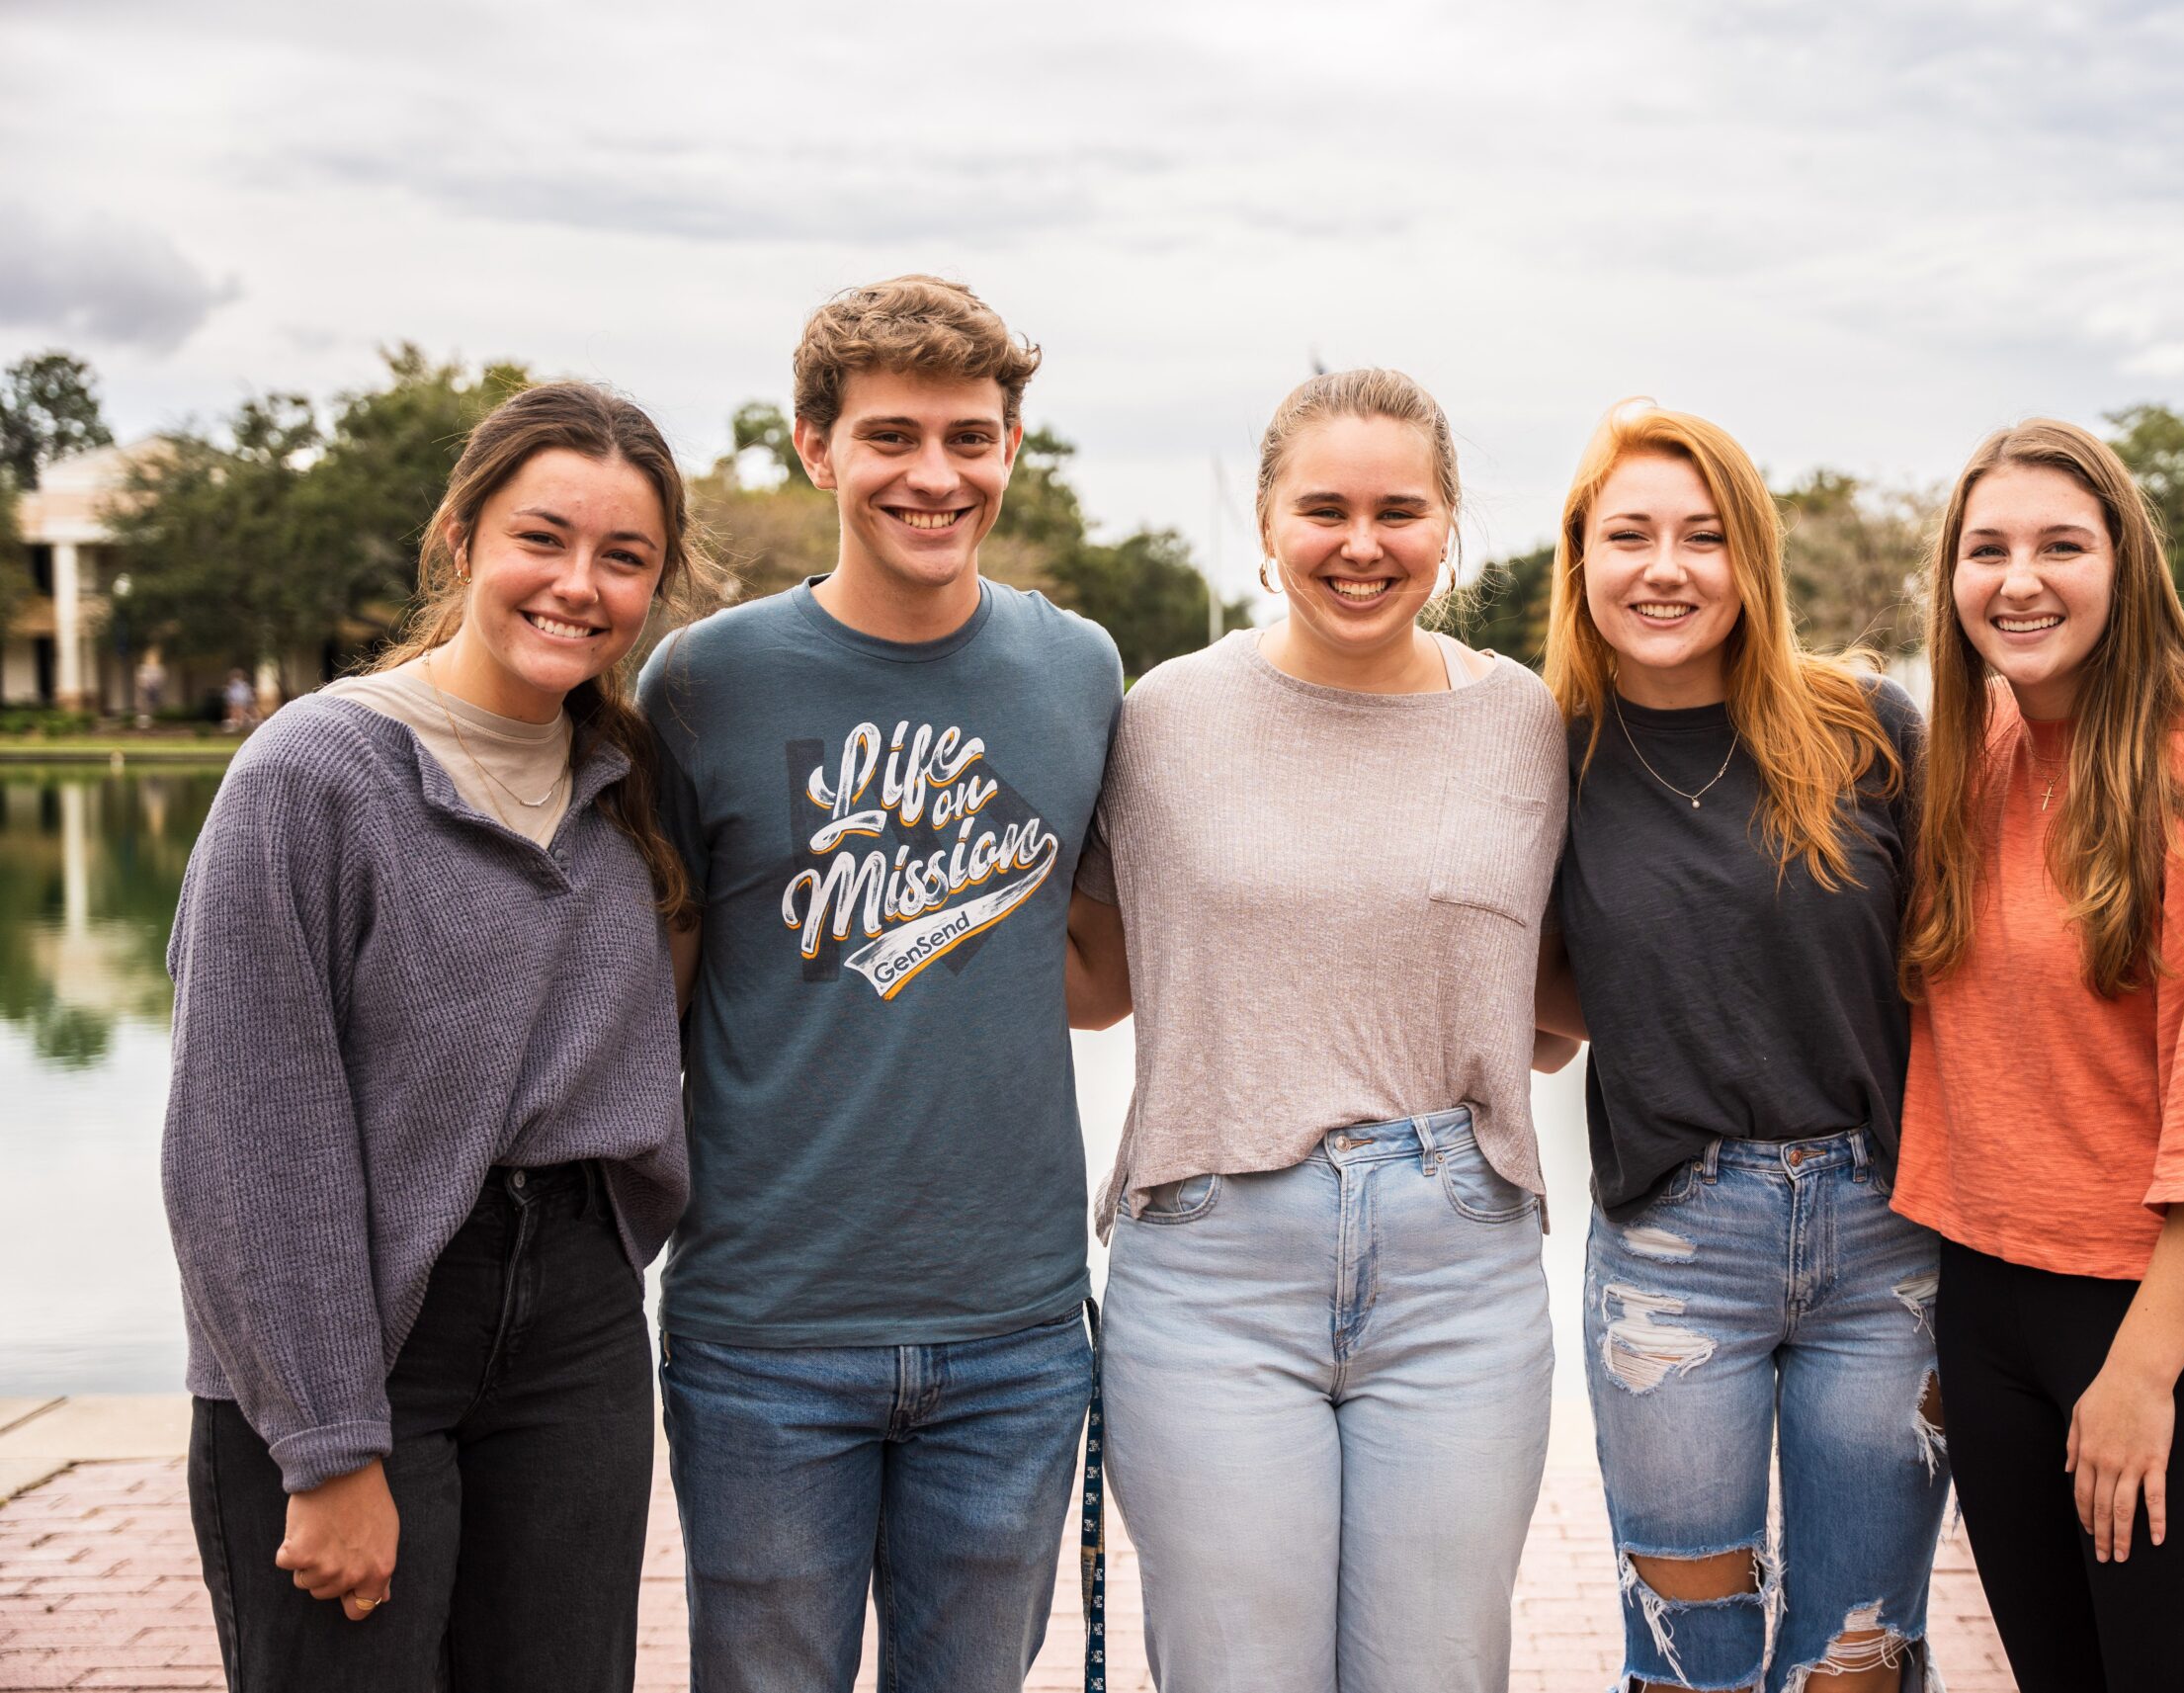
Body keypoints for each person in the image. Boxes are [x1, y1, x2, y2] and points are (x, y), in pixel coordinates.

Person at [162, 381, 713, 1693]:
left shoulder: (632, 787)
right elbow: (247, 1146)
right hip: (357, 1331)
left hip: (577, 1322)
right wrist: (328, 1443)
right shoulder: (314, 775)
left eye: (623, 558)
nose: (578, 584)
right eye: (542, 537)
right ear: (461, 537)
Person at [636, 276, 1122, 1691]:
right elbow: (654, 989)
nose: (934, 474)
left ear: (1012, 448)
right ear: (815, 446)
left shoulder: (1078, 668)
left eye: (970, 437)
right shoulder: (703, 684)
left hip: (1018, 1331)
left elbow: (1094, 974)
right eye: (891, 436)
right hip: (764, 1335)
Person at [1064, 368, 1565, 1692]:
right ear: (1269, 521)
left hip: (1458, 1264)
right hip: (1212, 1263)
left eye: (1398, 509)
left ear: (1448, 522)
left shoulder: (1525, 721)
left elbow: (1568, 990)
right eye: (1324, 508)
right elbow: (1092, 976)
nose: (1361, 543)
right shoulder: (1159, 718)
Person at [1895, 420, 2184, 1693]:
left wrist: (2139, 1374)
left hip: (2183, 1325)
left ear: (2126, 566)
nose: (2019, 579)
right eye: (1986, 548)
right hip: (1993, 1303)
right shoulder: (1976, 753)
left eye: (2061, 545)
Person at [1533, 405, 1946, 1693]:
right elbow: (1529, 999)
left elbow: (1967, 975)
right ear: (1581, 559)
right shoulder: (1543, 755)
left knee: (1857, 1658)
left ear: (1750, 559)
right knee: (1688, 1661)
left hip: (1889, 1243)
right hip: (1677, 1255)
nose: (1667, 567)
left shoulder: (1866, 729)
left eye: (1704, 536)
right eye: (1632, 535)